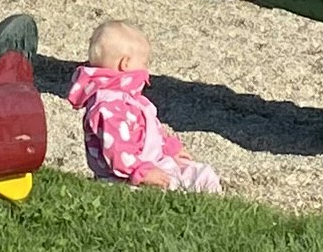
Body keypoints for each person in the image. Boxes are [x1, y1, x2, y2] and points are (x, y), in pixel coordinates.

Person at [66, 18, 224, 193]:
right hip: (126, 177)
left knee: (202, 173)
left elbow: (150, 130)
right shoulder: (108, 106)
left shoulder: (131, 100)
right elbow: (116, 150)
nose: (146, 70)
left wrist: (168, 148)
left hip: (152, 162)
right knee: (174, 185)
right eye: (144, 63)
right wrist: (140, 172)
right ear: (125, 63)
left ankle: (214, 201)